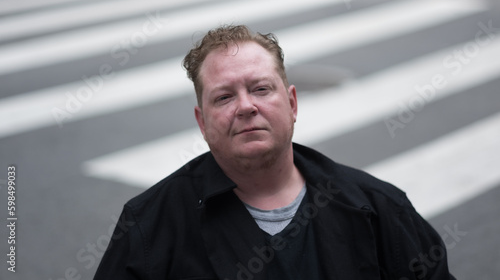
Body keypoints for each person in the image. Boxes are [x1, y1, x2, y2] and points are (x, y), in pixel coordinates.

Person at [93, 25, 456, 280]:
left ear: (292, 103)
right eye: (224, 96)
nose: (246, 106)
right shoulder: (150, 226)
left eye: (261, 89)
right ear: (202, 123)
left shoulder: (379, 208)